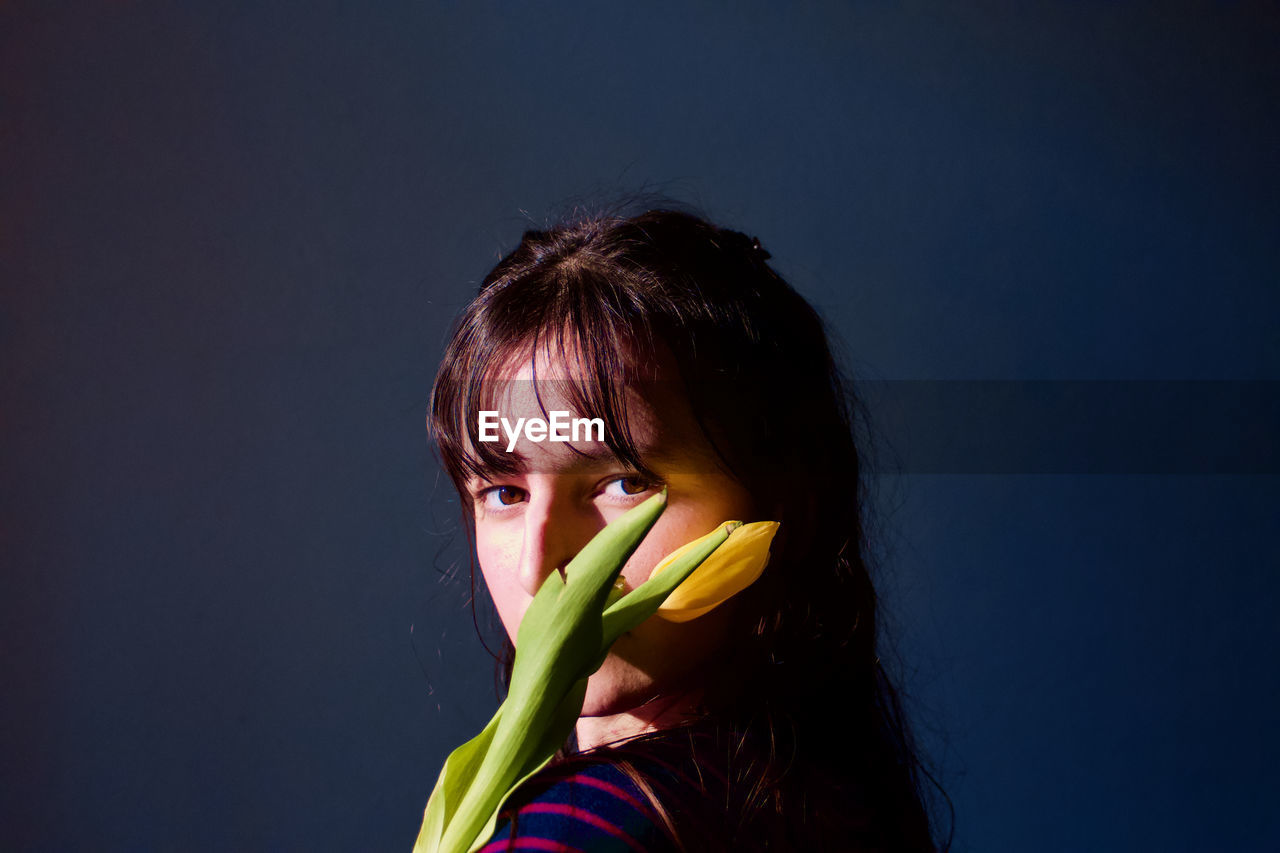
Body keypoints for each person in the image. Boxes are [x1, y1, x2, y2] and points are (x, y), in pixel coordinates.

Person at [428, 207, 944, 851]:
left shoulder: (580, 832)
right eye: (504, 492)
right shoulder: (830, 801)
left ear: (785, 500)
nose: (539, 568)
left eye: (624, 485)